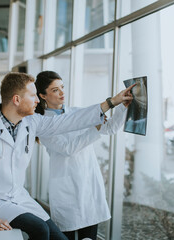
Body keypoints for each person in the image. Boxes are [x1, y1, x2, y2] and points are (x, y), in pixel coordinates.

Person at [0, 72, 134, 240]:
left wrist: (113, 102)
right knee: (40, 230)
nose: (37, 100)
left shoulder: (31, 122)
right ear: (17, 99)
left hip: (19, 197)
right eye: (33, 95)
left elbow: (70, 120)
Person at [34, 71, 132, 240]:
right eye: (55, 90)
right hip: (66, 190)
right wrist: (95, 129)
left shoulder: (78, 113)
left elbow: (110, 128)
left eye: (62, 87)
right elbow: (68, 148)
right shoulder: (42, 124)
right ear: (43, 95)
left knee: (90, 236)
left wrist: (123, 106)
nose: (62, 93)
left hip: (88, 185)